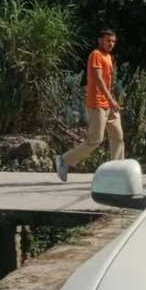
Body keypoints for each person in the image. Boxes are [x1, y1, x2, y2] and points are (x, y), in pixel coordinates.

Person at [55, 28, 123, 182]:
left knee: (118, 137)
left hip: (108, 103)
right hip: (97, 104)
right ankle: (64, 160)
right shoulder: (96, 55)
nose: (111, 44)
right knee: (95, 141)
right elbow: (98, 80)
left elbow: (107, 82)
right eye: (108, 40)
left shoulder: (108, 56)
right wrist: (110, 100)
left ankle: (118, 172)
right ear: (100, 40)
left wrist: (112, 100)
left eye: (113, 41)